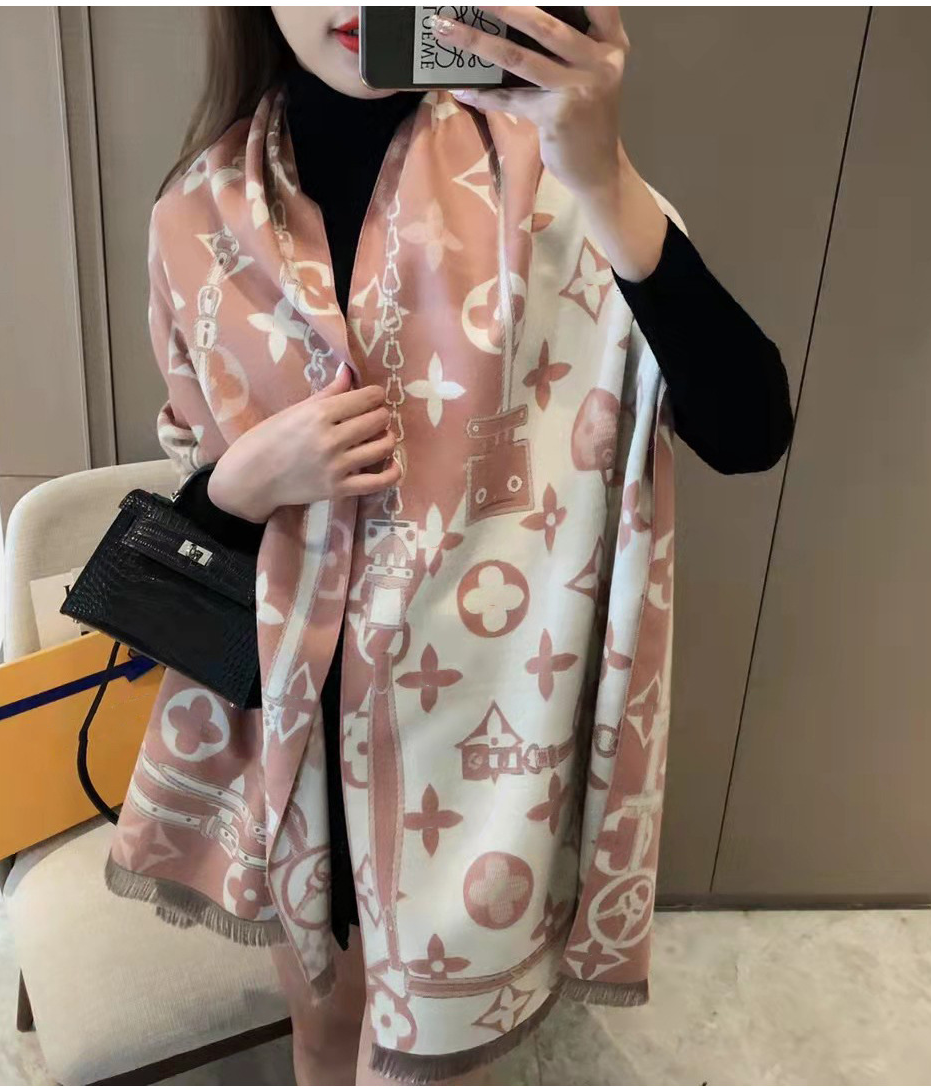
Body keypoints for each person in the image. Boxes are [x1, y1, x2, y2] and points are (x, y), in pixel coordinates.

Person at [108, 6, 792, 1086]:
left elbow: (750, 430)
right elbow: (199, 499)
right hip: (293, 732)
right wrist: (248, 479)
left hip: (479, 739)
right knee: (325, 1032)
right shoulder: (195, 215)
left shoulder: (556, 179)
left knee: (422, 1063)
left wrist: (606, 174)